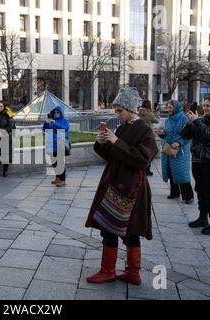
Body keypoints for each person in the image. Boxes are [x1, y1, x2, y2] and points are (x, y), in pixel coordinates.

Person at [85, 87, 158, 286]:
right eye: (116, 110)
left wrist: (117, 142)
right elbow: (113, 156)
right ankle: (113, 271)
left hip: (132, 189)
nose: (117, 115)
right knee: (109, 228)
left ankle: (129, 272)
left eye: (119, 110)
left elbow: (143, 159)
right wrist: (103, 143)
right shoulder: (124, 127)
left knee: (131, 231)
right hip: (116, 185)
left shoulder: (144, 128)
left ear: (129, 108)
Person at [181, 96, 210, 235]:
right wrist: (189, 123)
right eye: (204, 106)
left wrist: (197, 121)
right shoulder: (201, 119)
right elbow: (185, 136)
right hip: (197, 159)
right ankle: (203, 218)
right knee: (200, 190)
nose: (205, 108)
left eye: (208, 106)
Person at [157, 100, 194, 204]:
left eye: (170, 107)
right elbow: (167, 132)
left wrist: (179, 142)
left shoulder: (184, 118)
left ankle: (188, 196)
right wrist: (162, 134)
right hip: (169, 148)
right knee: (171, 171)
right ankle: (175, 192)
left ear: (176, 107)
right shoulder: (169, 119)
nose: (168, 110)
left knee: (181, 173)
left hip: (180, 151)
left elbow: (189, 134)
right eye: (167, 107)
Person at [43, 105, 70, 187]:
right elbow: (45, 129)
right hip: (51, 144)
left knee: (60, 162)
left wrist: (55, 123)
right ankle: (57, 177)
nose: (56, 114)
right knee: (54, 162)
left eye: (58, 112)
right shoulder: (51, 120)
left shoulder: (65, 121)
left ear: (61, 113)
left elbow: (64, 128)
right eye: (54, 112)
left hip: (60, 144)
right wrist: (46, 123)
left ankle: (62, 180)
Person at [138, 100, 159, 176]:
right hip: (148, 135)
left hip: (139, 135)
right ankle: (147, 170)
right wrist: (156, 112)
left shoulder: (138, 112)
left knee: (141, 152)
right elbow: (156, 120)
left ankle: (141, 169)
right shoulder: (149, 113)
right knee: (149, 153)